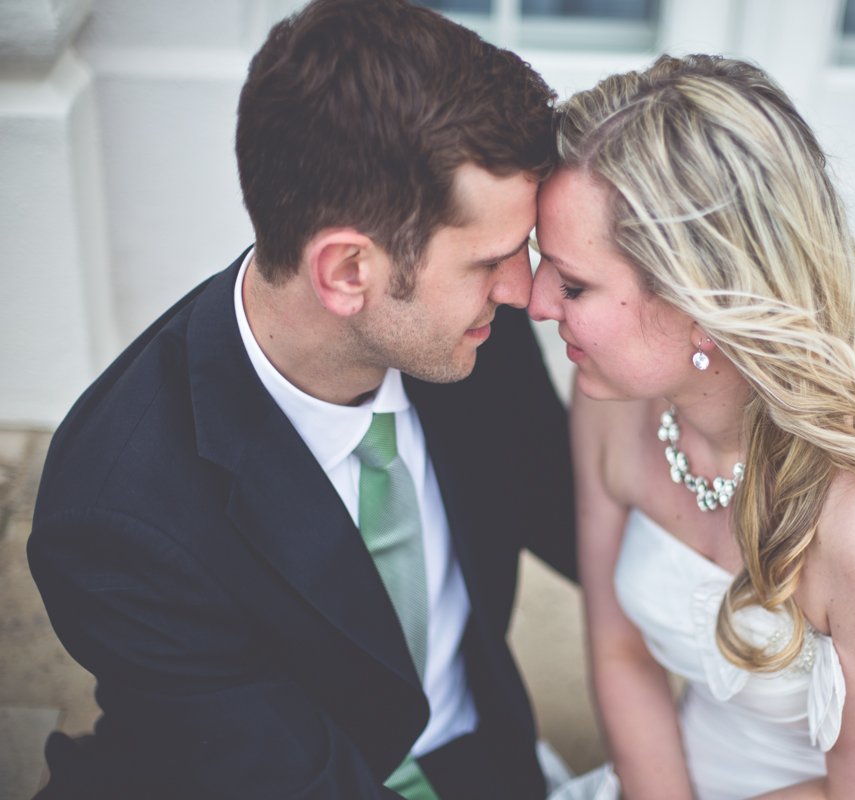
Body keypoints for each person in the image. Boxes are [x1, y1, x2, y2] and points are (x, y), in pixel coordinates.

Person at [27, 2, 574, 798]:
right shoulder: (116, 516)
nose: (527, 293)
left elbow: (567, 509)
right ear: (348, 272)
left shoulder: (468, 332)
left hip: (480, 748)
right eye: (492, 261)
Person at [531, 55, 855, 800]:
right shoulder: (611, 397)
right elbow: (618, 648)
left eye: (571, 283)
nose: (533, 301)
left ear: (700, 298)